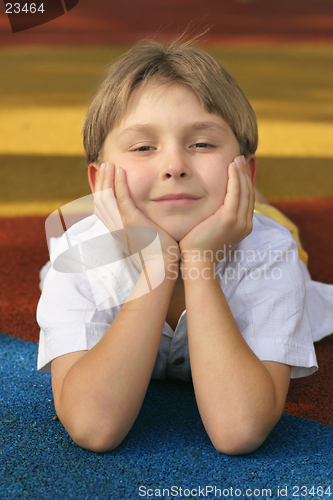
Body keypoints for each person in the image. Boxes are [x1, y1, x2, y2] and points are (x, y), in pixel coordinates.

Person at [36, 38, 333, 455]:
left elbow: (240, 429)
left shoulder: (269, 252)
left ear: (245, 170)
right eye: (143, 148)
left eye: (202, 144)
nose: (174, 165)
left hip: (252, 233)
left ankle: (252, 200)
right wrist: (157, 264)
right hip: (127, 233)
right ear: (97, 182)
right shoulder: (77, 259)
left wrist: (199, 261)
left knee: (279, 229)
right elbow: (92, 426)